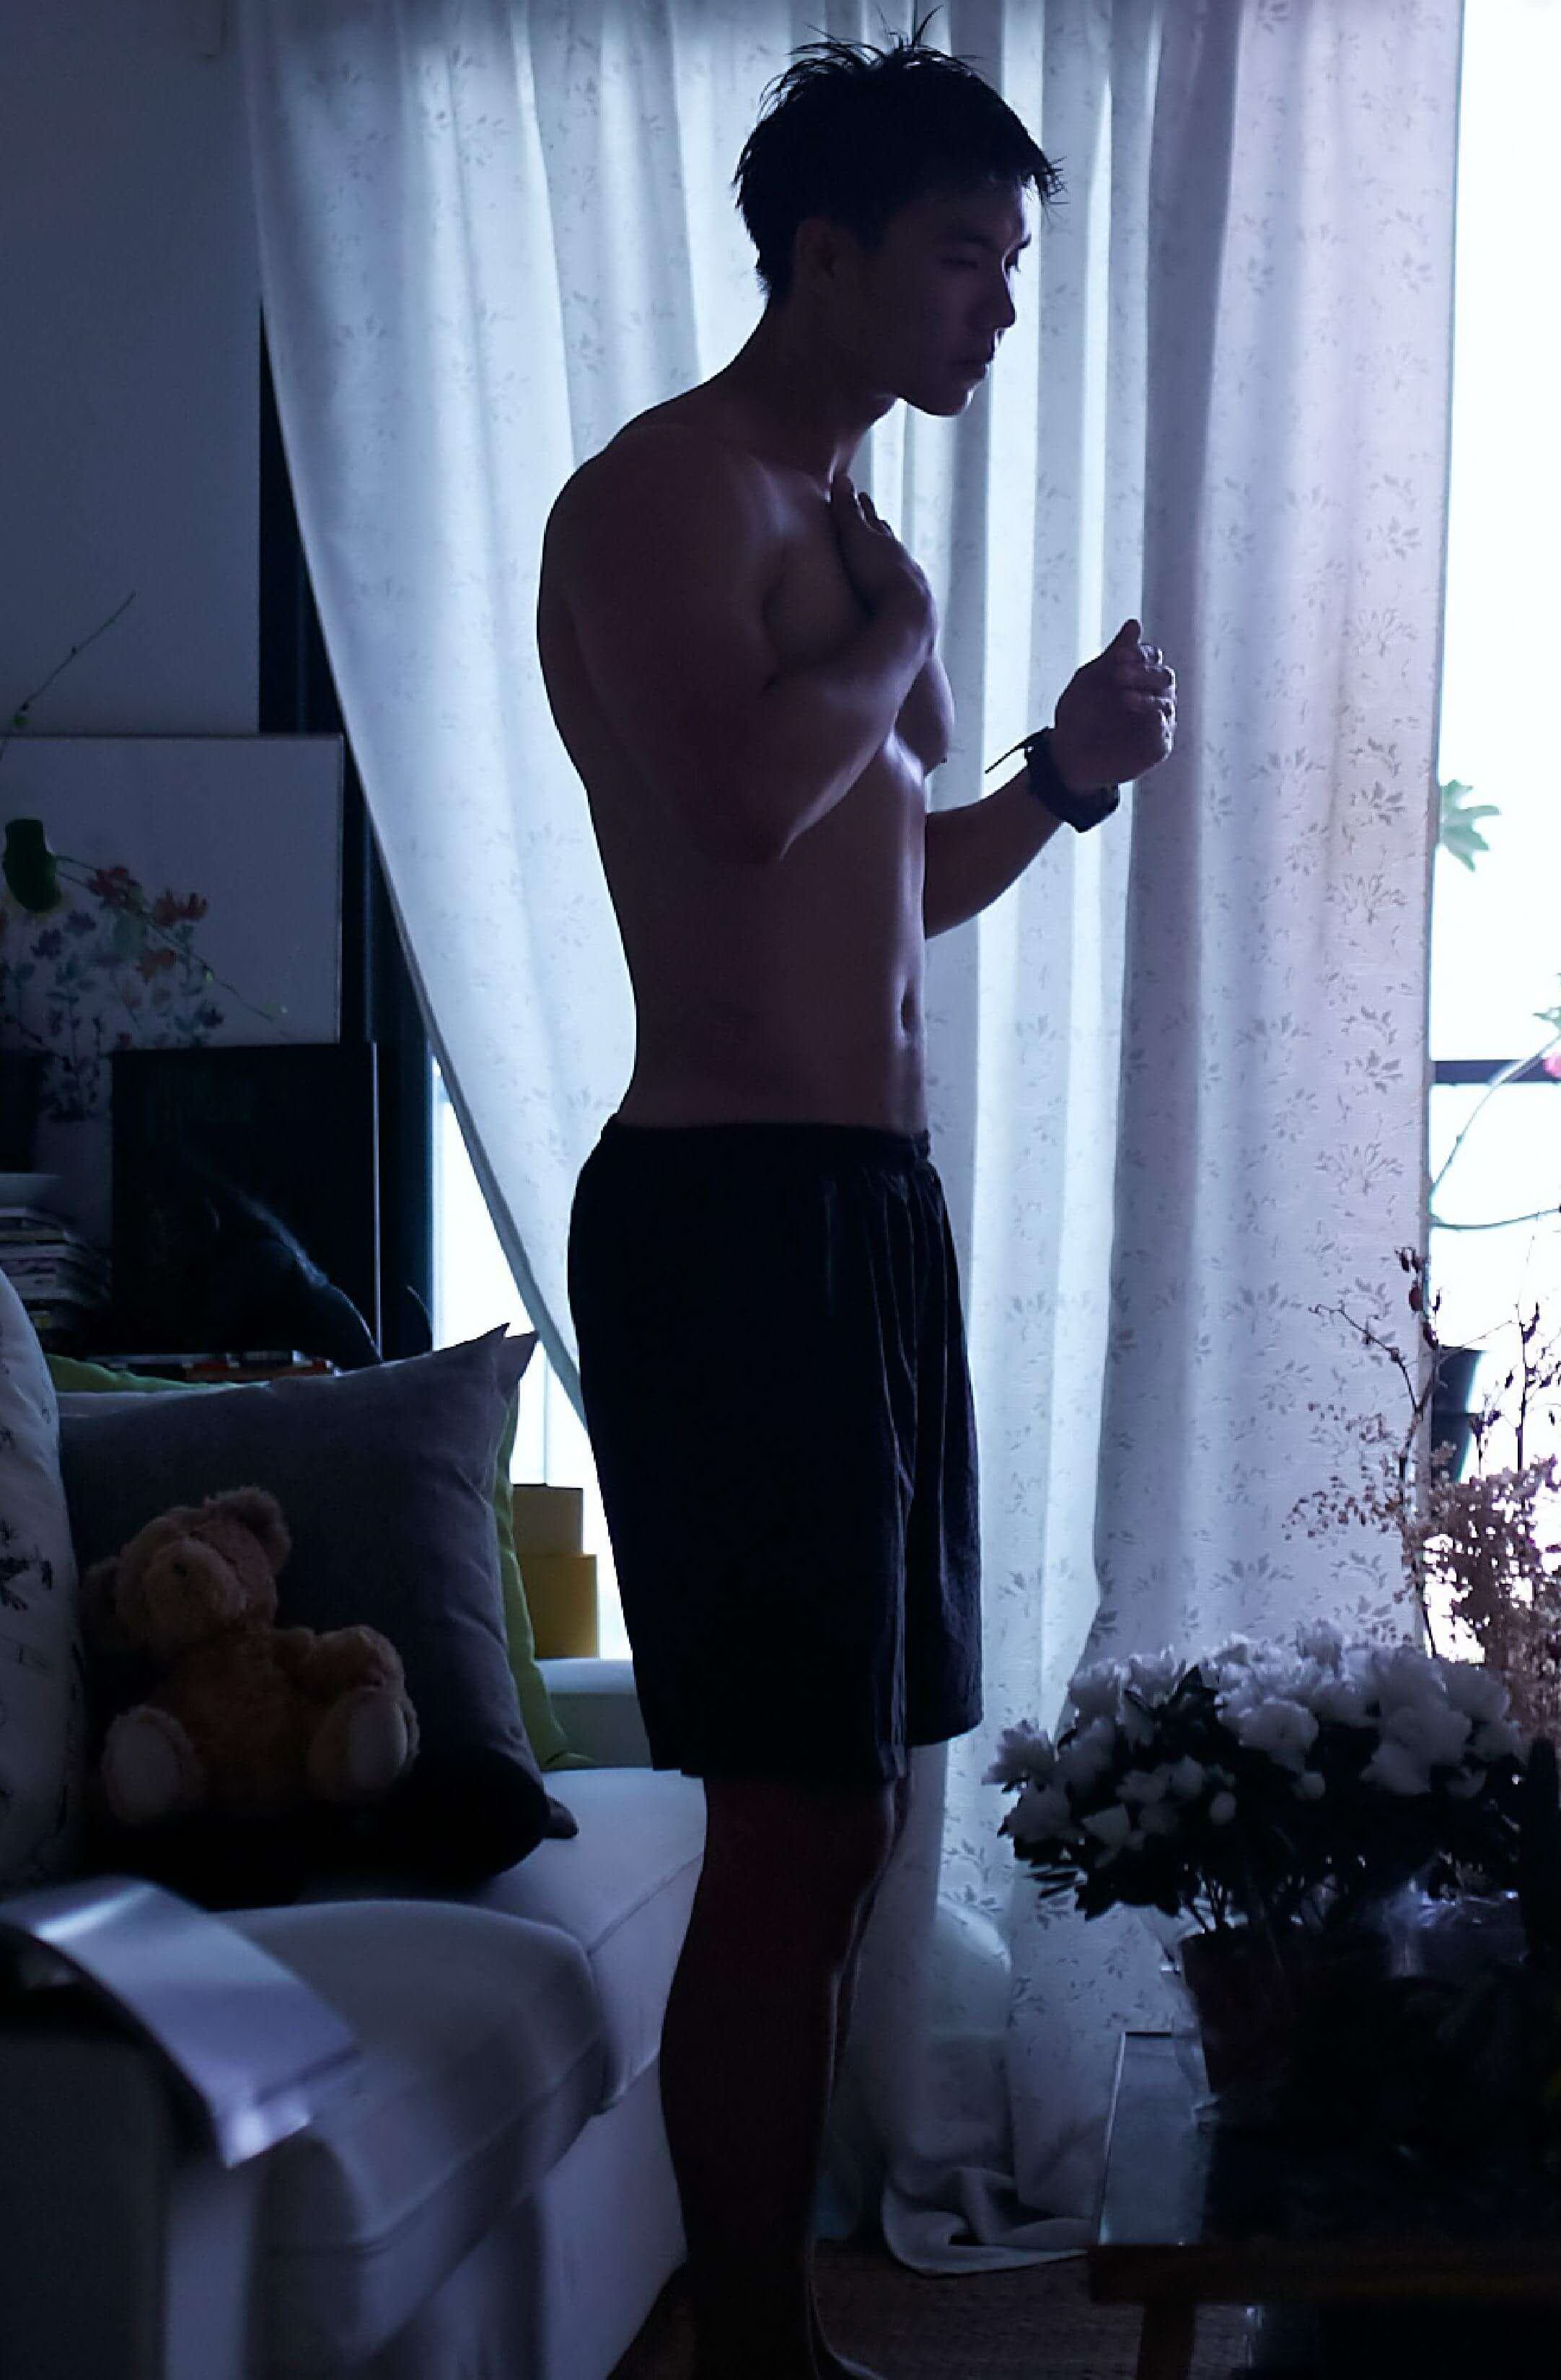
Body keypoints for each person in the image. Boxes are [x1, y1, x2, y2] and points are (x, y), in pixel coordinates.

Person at [537, 28, 1176, 2380]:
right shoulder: (663, 502)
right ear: (824, 255)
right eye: (962, 259)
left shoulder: (834, 534)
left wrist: (1061, 781)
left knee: (854, 1823)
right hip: (725, 1219)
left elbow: (875, 889)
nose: (994, 308)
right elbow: (728, 806)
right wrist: (901, 649)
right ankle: (755, 2348)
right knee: (791, 1821)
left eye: (1008, 268)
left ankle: (768, 2329)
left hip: (864, 1216)